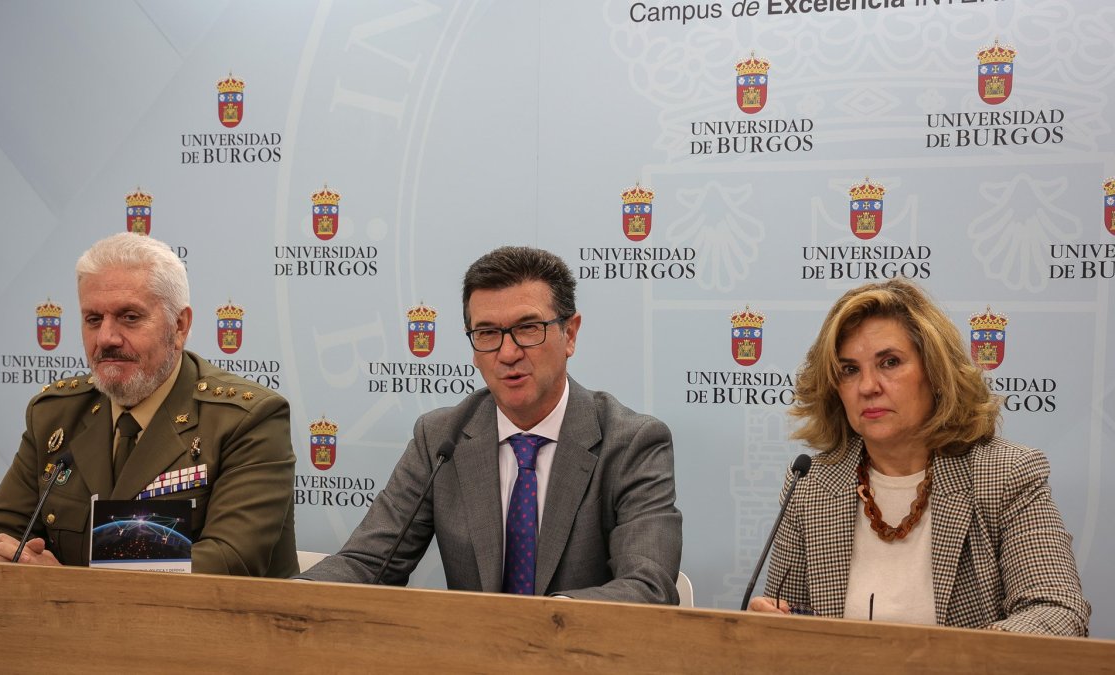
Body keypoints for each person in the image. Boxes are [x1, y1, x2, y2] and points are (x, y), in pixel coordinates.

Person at [296, 246, 682, 603]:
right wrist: (292, 595)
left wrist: (546, 621)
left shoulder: (632, 442)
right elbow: (368, 564)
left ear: (570, 334)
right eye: (487, 333)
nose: (508, 353)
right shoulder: (440, 438)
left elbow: (647, 586)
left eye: (528, 328)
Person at [747, 279, 1089, 635]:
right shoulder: (811, 483)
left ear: (935, 373)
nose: (868, 387)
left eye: (890, 362)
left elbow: (1058, 611)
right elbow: (787, 622)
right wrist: (776, 625)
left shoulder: (1006, 473)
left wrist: (955, 660)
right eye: (850, 370)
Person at [0, 232, 298, 577]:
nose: (106, 338)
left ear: (179, 326)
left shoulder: (246, 419)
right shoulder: (55, 415)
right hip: (67, 627)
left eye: (130, 317)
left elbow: (228, 561)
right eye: (93, 319)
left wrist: (65, 581)